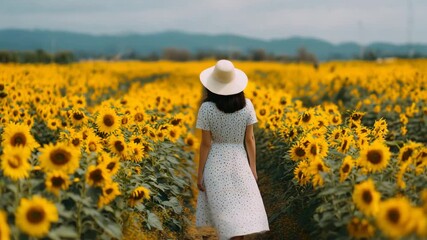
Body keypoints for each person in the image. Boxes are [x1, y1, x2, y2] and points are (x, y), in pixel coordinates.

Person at [195, 59, 270, 240]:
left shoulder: (206, 108)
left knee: (220, 213)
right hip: (239, 161)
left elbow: (205, 144)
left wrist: (200, 174)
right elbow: (250, 139)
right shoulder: (247, 105)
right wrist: (253, 168)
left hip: (216, 162)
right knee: (239, 215)